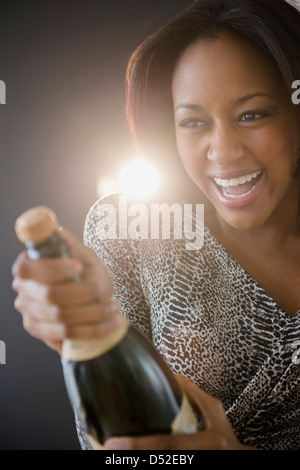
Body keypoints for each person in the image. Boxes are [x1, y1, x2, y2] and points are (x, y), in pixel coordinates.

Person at [12, 0, 300, 450]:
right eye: (193, 122)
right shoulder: (131, 229)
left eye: (253, 114)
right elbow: (110, 445)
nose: (222, 152)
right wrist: (91, 335)